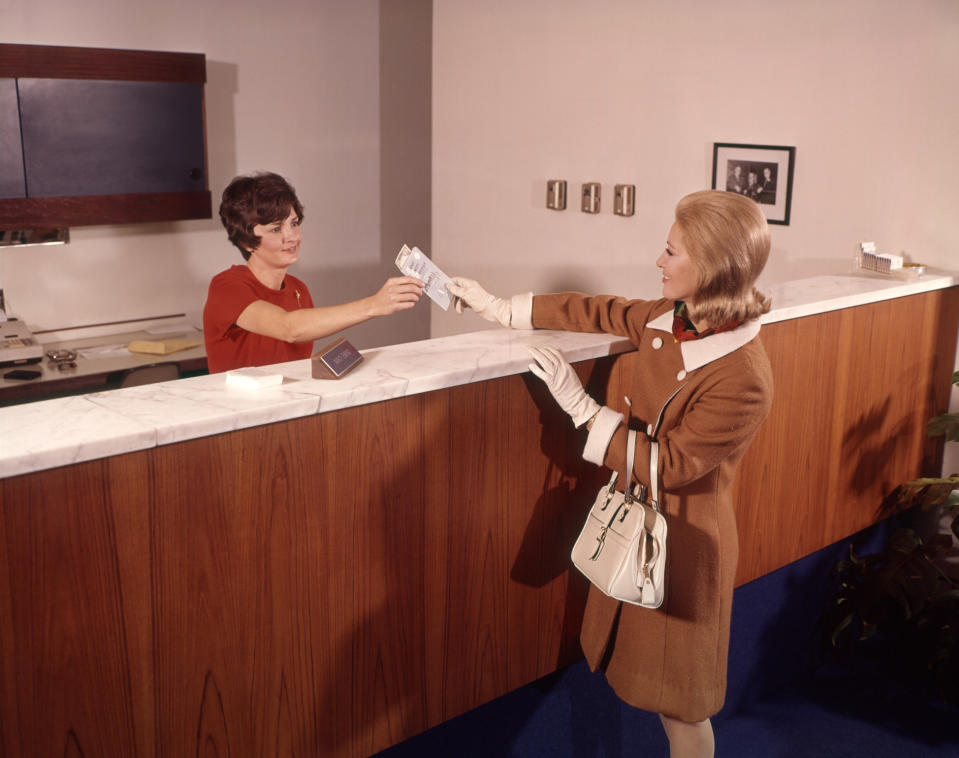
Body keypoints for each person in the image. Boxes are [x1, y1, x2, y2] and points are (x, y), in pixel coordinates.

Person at [446, 190, 774, 758]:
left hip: (686, 547)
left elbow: (669, 466)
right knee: (648, 686)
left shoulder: (744, 376)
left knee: (683, 707)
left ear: (710, 268)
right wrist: (497, 307)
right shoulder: (671, 318)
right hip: (639, 524)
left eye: (671, 252)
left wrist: (582, 409)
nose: (659, 262)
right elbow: (596, 310)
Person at [203, 172, 424, 373]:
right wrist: (374, 305)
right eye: (276, 228)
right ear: (246, 242)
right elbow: (288, 327)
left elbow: (293, 362)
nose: (292, 236)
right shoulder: (226, 287)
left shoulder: (299, 290)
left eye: (294, 223)